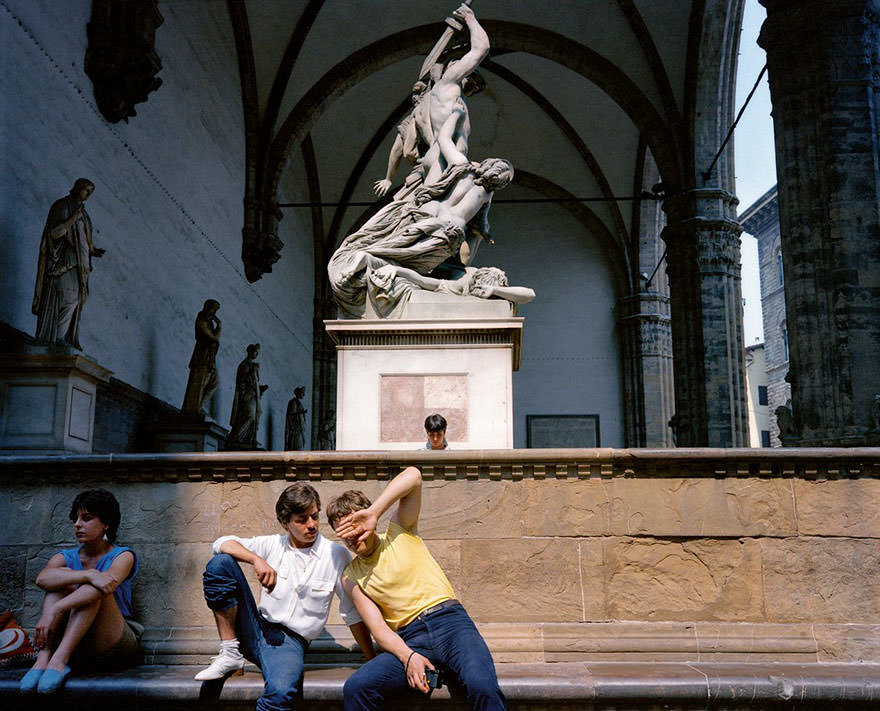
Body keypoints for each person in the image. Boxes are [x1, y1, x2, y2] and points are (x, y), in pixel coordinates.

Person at [328, 467, 506, 711]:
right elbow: (379, 630)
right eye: (343, 532)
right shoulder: (351, 577)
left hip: (450, 624)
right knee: (357, 687)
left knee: (481, 685)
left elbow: (413, 475)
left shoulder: (400, 530)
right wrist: (408, 657)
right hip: (409, 639)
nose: (350, 536)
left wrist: (373, 513)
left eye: (354, 526)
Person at [195, 483, 375, 711]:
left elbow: (352, 613)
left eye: (314, 516)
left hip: (288, 642)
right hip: (254, 626)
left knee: (280, 694)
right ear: (285, 523)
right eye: (301, 519)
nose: (311, 525)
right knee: (221, 563)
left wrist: (372, 658)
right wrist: (256, 560)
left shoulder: (335, 554)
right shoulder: (272, 544)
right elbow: (221, 543)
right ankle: (230, 652)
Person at [328, 107, 513, 318]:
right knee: (407, 264)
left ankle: (365, 258)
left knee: (390, 251)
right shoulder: (486, 195)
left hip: (424, 218)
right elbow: (481, 229)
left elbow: (443, 139)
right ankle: (369, 260)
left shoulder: (462, 166)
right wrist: (485, 236)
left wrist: (455, 115)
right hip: (445, 237)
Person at [19, 489, 139, 694]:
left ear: (106, 523)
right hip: (76, 643)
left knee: (96, 588)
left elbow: (106, 584)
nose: (77, 524)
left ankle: (58, 659)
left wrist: (55, 609)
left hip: (114, 644)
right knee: (62, 579)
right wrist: (87, 574)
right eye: (75, 518)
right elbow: (42, 578)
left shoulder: (123, 555)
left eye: (87, 518)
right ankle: (44, 657)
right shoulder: (65, 556)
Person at [32, 178, 105, 349]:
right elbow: (54, 233)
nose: (88, 195)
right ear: (77, 188)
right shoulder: (63, 206)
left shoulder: (84, 214)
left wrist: (93, 251)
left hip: (80, 267)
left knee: (76, 300)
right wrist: (73, 218)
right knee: (68, 298)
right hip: (64, 263)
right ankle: (54, 339)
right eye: (86, 190)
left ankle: (61, 338)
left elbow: (85, 241)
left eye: (90, 192)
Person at [366, 262, 535, 318]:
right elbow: (424, 281)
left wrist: (494, 290)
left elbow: (529, 294)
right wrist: (396, 269)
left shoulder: (500, 295)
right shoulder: (461, 286)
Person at [181, 299, 222, 417]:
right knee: (200, 382)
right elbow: (213, 338)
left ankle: (200, 405)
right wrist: (219, 327)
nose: (214, 312)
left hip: (210, 357)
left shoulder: (209, 322)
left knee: (214, 383)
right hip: (202, 356)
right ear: (208, 307)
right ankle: (193, 409)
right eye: (214, 309)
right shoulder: (201, 319)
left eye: (215, 310)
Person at [229, 343, 268, 448]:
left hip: (254, 395)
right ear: (250, 351)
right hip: (248, 396)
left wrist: (260, 389)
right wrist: (245, 393)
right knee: (249, 416)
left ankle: (249, 439)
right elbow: (242, 381)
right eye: (255, 351)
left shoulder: (252, 366)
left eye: (257, 352)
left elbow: (254, 382)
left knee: (254, 417)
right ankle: (237, 437)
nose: (256, 354)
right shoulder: (246, 365)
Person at [285, 386, 307, 450]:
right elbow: (291, 416)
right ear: (298, 393)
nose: (304, 395)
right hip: (296, 431)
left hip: (300, 430)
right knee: (297, 449)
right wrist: (301, 413)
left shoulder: (298, 403)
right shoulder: (293, 402)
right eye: (302, 393)